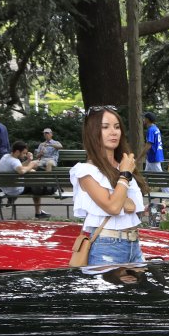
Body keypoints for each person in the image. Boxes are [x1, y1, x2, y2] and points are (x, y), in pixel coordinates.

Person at [70, 107, 147, 266]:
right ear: (93, 133)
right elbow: (112, 207)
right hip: (107, 246)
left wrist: (147, 210)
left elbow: (125, 207)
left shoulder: (123, 165)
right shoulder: (86, 171)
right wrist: (125, 174)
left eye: (117, 127)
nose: (113, 132)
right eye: (105, 127)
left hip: (134, 245)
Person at [29, 127, 63, 219]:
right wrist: (41, 153)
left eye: (48, 133)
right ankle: (32, 184)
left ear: (51, 134)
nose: (46, 135)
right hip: (43, 160)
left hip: (52, 160)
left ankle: (47, 184)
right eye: (45, 133)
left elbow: (61, 147)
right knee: (34, 164)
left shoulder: (55, 142)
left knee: (49, 164)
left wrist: (50, 145)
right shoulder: (41, 144)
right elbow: (37, 156)